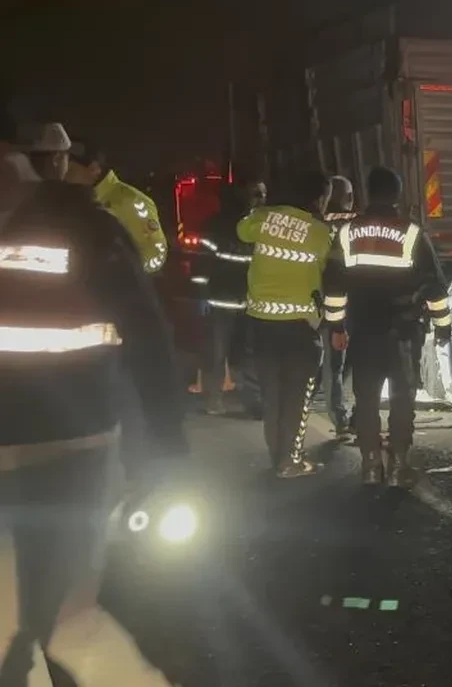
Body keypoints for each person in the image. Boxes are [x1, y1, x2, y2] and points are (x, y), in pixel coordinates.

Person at [0, 178, 187, 685]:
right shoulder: (85, 225)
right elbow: (147, 332)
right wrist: (166, 449)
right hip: (72, 439)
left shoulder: (87, 222)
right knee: (66, 614)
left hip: (68, 441)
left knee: (29, 614)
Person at [324, 167, 450, 486]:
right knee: (402, 397)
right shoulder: (411, 232)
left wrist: (336, 327)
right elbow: (434, 286)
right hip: (403, 332)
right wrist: (444, 326)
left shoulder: (347, 233)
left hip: (364, 331)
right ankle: (398, 465)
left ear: (368, 192)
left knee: (365, 397)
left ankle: (370, 464)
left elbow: (334, 285)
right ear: (397, 194)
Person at [238, 171, 333, 477]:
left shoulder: (263, 219)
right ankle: (289, 461)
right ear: (317, 197)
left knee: (273, 395)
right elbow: (327, 270)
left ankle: (277, 457)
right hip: (300, 326)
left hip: (262, 322)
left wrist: (262, 208)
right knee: (297, 396)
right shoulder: (320, 231)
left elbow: (242, 230)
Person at [192, 175, 266, 416]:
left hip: (251, 301)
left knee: (251, 352)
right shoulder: (217, 225)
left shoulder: (263, 226)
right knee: (216, 351)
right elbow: (202, 263)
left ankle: (253, 401)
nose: (261, 199)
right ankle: (213, 399)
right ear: (242, 195)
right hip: (220, 300)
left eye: (264, 194)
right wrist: (201, 293)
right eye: (256, 194)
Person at [65, 141, 168, 275]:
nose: (63, 172)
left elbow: (156, 252)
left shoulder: (131, 201)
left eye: (69, 166)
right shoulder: (71, 200)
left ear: (93, 168)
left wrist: (120, 273)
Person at [320, 176, 359, 435]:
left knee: (334, 364)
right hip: (359, 303)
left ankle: (339, 416)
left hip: (329, 305)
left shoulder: (318, 224)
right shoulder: (358, 223)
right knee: (357, 363)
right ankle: (358, 414)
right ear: (349, 197)